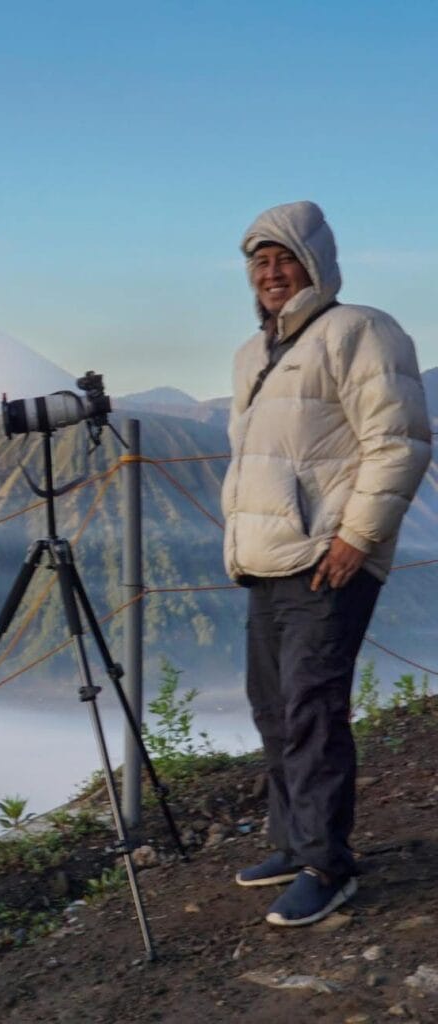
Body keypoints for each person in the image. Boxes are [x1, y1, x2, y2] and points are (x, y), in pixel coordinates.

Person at [221, 200, 431, 926]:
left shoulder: (360, 331)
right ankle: (290, 840)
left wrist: (358, 538)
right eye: (260, 261)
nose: (271, 272)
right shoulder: (254, 354)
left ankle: (326, 863)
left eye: (284, 258)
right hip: (268, 557)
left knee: (312, 705)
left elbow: (399, 441)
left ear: (316, 263)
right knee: (273, 705)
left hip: (328, 557)